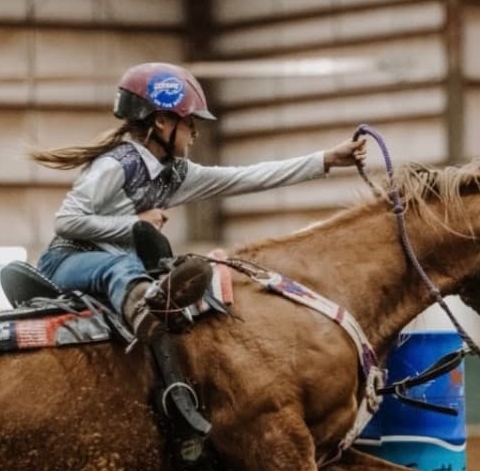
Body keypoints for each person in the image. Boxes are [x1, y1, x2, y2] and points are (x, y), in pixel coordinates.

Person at [30, 62, 367, 343]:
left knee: (156, 269)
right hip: (67, 261)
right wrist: (135, 225)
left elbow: (247, 177)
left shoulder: (176, 173)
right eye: (188, 122)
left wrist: (326, 160)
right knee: (123, 268)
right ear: (162, 122)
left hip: (120, 268)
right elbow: (66, 222)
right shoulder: (115, 165)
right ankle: (149, 315)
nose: (194, 132)